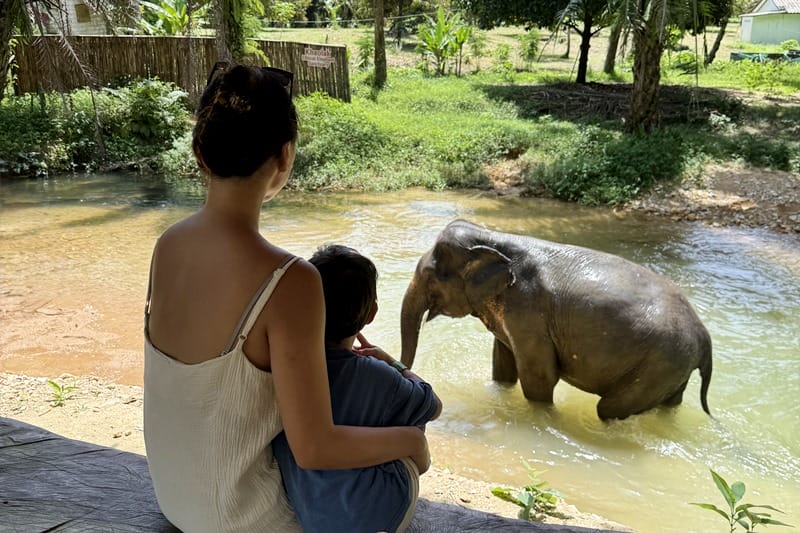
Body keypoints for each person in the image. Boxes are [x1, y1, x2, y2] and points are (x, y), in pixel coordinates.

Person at [142, 62, 429, 533]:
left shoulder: (166, 245)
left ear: (199, 151)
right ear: (284, 156)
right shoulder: (290, 280)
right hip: (245, 518)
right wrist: (411, 441)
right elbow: (315, 447)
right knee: (399, 472)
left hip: (174, 498)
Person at [273, 244, 443, 533]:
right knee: (407, 408)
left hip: (311, 514)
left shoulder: (283, 368)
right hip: (382, 515)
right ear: (372, 314)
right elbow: (434, 406)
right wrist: (392, 363)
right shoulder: (376, 374)